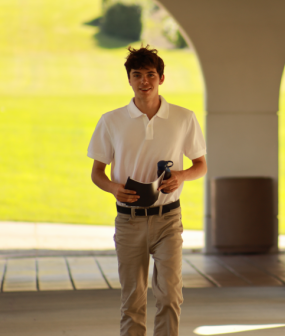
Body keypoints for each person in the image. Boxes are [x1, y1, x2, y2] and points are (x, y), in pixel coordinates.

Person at [87, 45, 207, 336]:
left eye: (151, 75)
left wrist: (181, 175)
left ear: (161, 78)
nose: (144, 81)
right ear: (128, 79)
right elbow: (96, 173)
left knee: (169, 296)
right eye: (137, 74)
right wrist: (115, 188)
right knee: (132, 301)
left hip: (168, 219)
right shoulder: (111, 121)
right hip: (128, 222)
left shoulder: (183, 117)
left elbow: (201, 165)